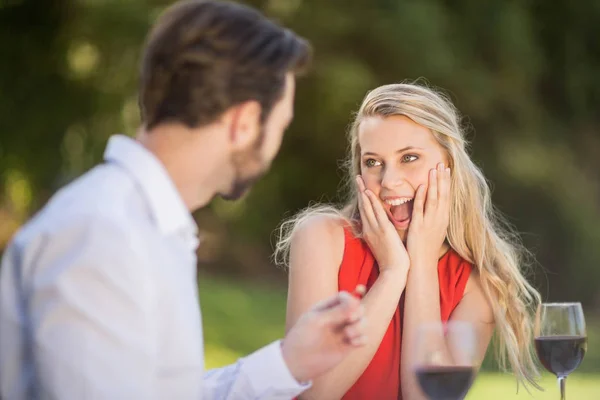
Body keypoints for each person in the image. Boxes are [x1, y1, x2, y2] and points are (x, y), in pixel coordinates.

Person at [0, 1, 368, 399]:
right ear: (244, 124)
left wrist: (288, 363)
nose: (275, 148)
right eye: (280, 126)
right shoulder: (103, 235)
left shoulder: (146, 227)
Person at [276, 82, 542, 399]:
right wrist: (393, 272)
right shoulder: (322, 238)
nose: (389, 182)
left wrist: (422, 264)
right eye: (372, 162)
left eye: (409, 157)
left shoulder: (477, 282)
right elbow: (313, 394)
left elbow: (426, 396)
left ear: (449, 164)